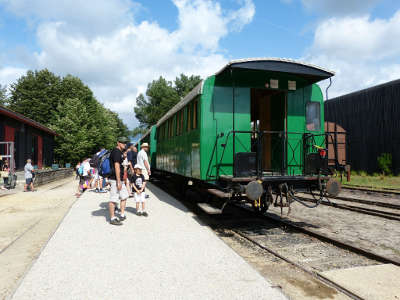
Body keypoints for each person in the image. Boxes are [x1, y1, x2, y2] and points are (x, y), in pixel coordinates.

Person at [108, 137, 130, 225]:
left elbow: (120, 164)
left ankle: (122, 214)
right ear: (118, 143)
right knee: (113, 199)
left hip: (119, 179)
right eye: (123, 143)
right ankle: (112, 218)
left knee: (124, 196)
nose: (124, 144)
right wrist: (118, 181)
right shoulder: (116, 152)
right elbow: (117, 167)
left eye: (125, 143)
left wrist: (124, 157)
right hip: (115, 179)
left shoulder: (120, 152)